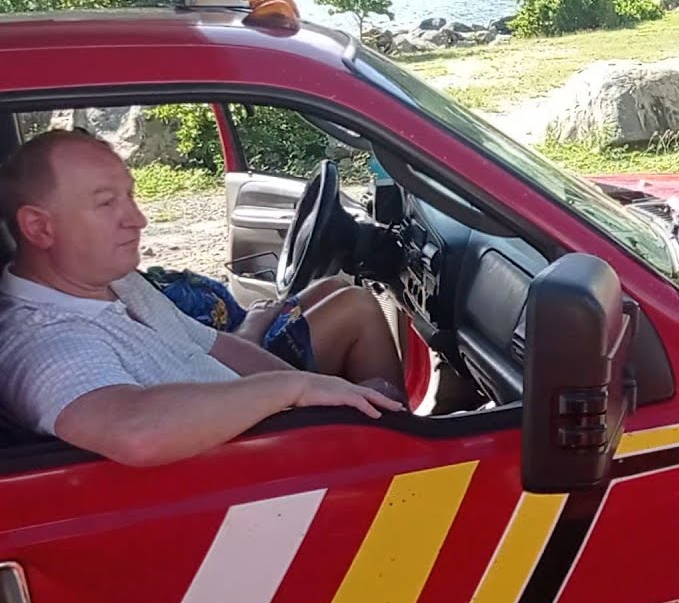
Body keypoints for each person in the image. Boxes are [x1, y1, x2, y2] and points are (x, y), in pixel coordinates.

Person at [0, 129, 405, 467]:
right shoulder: (42, 344)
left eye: (130, 196)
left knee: (339, 300)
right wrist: (291, 390)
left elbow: (214, 344)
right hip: (250, 478)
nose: (138, 219)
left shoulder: (115, 279)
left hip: (270, 435)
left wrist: (314, 392)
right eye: (106, 203)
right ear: (39, 227)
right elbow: (136, 433)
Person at [141, 267, 405, 394]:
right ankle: (394, 431)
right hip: (243, 368)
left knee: (333, 285)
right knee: (357, 307)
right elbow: (211, 358)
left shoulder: (137, 283)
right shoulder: (132, 307)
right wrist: (254, 322)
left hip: (246, 333)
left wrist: (255, 316)